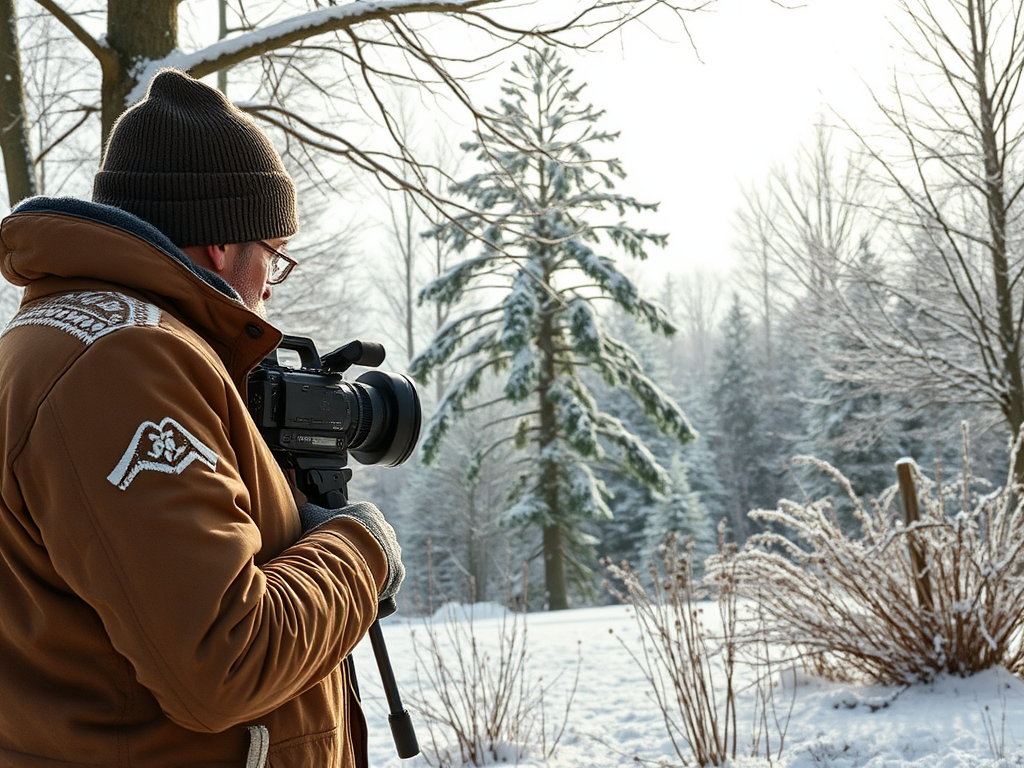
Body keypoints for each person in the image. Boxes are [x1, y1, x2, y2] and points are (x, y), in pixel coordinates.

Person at [0, 68, 404, 768]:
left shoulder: (65, 339)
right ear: (224, 246)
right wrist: (361, 550)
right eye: (274, 261)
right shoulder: (124, 364)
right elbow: (227, 661)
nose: (268, 293)